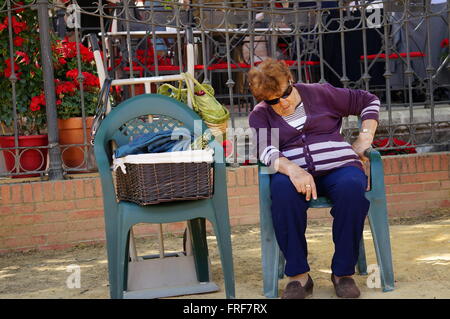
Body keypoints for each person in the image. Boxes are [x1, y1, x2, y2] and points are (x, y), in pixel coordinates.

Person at [248, 59, 380, 299]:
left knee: (352, 188)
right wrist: (294, 170)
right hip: (293, 173)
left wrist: (364, 139)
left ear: (290, 79)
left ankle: (343, 273)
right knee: (282, 194)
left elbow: (368, 100)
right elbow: (266, 151)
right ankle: (299, 277)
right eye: (272, 100)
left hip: (339, 167)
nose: (283, 102)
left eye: (285, 93)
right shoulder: (261, 115)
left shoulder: (320, 93)